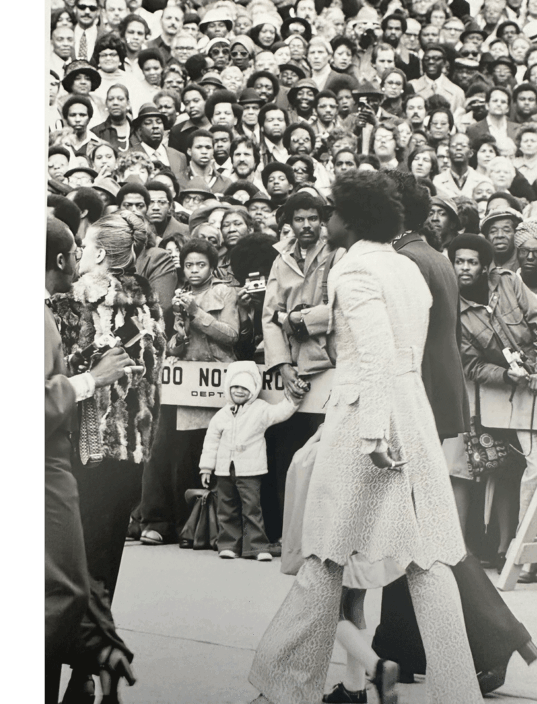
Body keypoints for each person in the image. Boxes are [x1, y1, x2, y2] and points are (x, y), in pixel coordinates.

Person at [248, 171, 484, 704]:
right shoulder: (404, 267)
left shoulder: (353, 270)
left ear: (350, 218)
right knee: (428, 562)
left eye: (331, 211)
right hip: (412, 415)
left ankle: (284, 685)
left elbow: (373, 355)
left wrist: (375, 432)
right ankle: (458, 692)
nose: (325, 219)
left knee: (326, 557)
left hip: (365, 423)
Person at [44, 216, 136, 704]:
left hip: (77, 457)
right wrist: (91, 379)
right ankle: (91, 660)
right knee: (71, 585)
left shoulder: (62, 306)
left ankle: (91, 661)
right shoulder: (47, 311)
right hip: (69, 461)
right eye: (75, 250)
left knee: (71, 583)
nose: (80, 259)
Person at [456, 231, 537, 573]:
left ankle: (523, 552)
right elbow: (471, 364)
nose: (464, 268)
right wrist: (504, 375)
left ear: (484, 266)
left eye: (471, 262)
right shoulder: (458, 310)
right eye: (458, 262)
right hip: (505, 398)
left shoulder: (509, 283)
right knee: (516, 468)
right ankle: (513, 551)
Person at [137, 238, 241, 546]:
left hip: (216, 383)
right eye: (188, 265)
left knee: (208, 454)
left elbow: (231, 336)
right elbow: (173, 344)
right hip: (185, 385)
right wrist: (178, 337)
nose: (194, 271)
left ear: (212, 267)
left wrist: (197, 313)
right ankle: (170, 522)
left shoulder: (225, 292)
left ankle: (200, 527)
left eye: (201, 265)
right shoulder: (179, 296)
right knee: (175, 452)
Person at [259, 190, 338, 541]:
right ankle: (290, 534)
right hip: (292, 367)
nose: (306, 225)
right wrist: (283, 366)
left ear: (322, 220)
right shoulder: (281, 259)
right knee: (288, 451)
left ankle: (325, 532)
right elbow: (268, 317)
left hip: (329, 363)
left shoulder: (337, 251)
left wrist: (295, 320)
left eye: (312, 218)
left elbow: (336, 309)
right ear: (289, 223)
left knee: (325, 451)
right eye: (298, 219)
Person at [199, 361, 301, 561]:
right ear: (229, 388)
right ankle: (228, 544)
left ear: (253, 389)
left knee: (252, 509)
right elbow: (210, 443)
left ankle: (255, 546)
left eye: (244, 387)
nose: (239, 391)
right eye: (235, 387)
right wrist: (206, 468)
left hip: (250, 471)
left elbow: (280, 412)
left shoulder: (260, 410)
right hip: (223, 471)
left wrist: (294, 399)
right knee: (226, 509)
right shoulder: (221, 415)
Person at [410, 44, 466, 114]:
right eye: (427, 59)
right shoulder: (412, 87)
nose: (431, 62)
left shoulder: (457, 92)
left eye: (436, 59)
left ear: (445, 63)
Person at [434, 132, 490, 199]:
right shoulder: (437, 181)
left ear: (471, 153)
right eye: (454, 146)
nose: (458, 148)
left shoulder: (483, 181)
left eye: (463, 146)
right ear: (448, 152)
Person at [481, 207, 524, 272]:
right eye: (493, 231)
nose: (499, 235)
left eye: (506, 230)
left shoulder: (524, 265)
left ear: (517, 234)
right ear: (486, 237)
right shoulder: (481, 266)